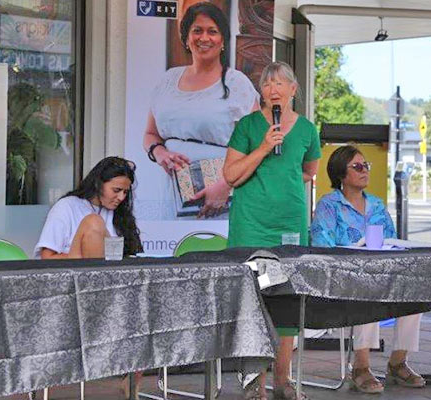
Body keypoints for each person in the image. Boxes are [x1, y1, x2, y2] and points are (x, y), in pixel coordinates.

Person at [223, 61, 321, 400]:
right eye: (267, 84)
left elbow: (309, 170)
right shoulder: (247, 126)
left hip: (290, 224)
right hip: (251, 223)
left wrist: (285, 190)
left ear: (294, 90)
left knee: (287, 303)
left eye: (281, 83)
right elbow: (230, 176)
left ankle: (283, 380)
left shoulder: (307, 130)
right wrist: (264, 147)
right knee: (252, 300)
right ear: (261, 92)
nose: (274, 89)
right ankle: (254, 384)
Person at [310, 145, 426, 394]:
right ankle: (360, 368)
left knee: (416, 291)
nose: (365, 171)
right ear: (341, 173)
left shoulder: (376, 204)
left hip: (379, 273)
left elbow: (392, 241)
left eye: (366, 166)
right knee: (366, 291)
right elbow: (322, 248)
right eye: (357, 167)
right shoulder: (329, 205)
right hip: (343, 278)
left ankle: (397, 362)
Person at [34, 156, 144, 397]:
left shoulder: (118, 214)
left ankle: (130, 376)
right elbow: (47, 259)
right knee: (92, 223)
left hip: (105, 285)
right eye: (116, 190)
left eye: (125, 193)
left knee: (144, 302)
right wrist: (79, 255)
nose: (121, 198)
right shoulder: (68, 207)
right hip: (67, 286)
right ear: (98, 183)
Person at [143, 1, 259, 219]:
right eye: (197, 31)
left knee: (215, 250)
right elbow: (150, 134)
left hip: (222, 194)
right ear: (186, 38)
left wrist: (225, 185)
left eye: (212, 32)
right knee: (172, 249)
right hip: (172, 191)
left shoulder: (237, 83)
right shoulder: (167, 80)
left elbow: (257, 146)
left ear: (223, 39)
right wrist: (160, 154)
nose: (204, 38)